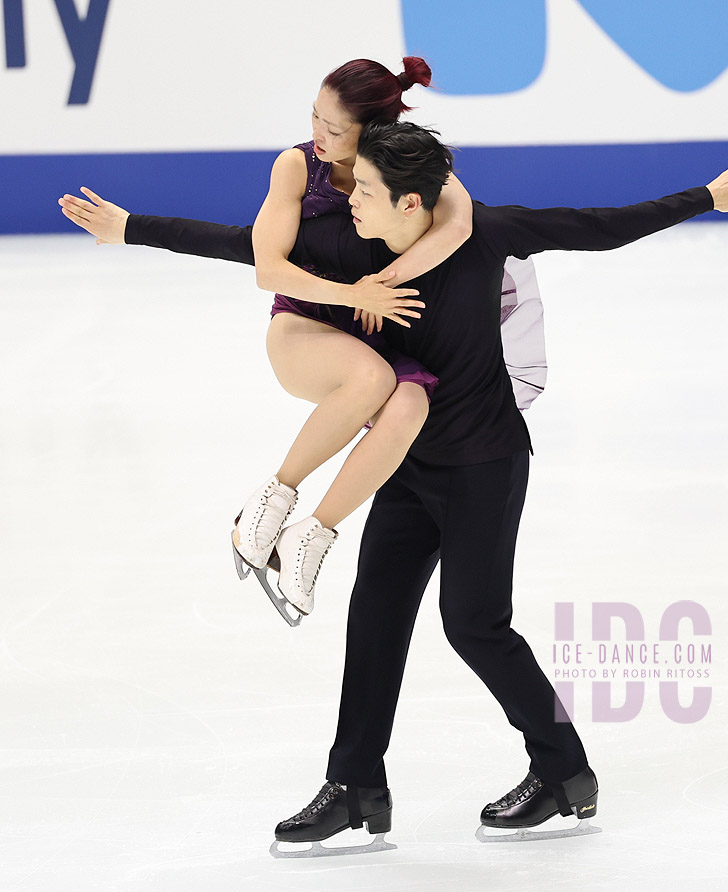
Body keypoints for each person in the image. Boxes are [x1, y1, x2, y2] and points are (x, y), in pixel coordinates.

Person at [92, 121, 728, 848]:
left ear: (413, 204)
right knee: (376, 613)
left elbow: (598, 227)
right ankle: (355, 785)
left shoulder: (486, 235)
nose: (352, 200)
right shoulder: (352, 243)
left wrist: (705, 196)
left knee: (474, 624)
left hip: (484, 462)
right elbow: (246, 245)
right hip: (410, 464)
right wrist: (129, 228)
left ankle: (565, 769)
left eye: (370, 192)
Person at [60, 58, 472, 623]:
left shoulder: (400, 168)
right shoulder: (297, 166)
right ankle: (271, 500)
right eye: (314, 118)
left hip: (367, 330)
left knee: (411, 402)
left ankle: (309, 537)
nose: (318, 136)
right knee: (374, 378)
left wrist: (383, 285)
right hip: (302, 327)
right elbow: (265, 267)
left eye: (334, 128)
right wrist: (360, 295)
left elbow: (458, 223)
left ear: (371, 133)